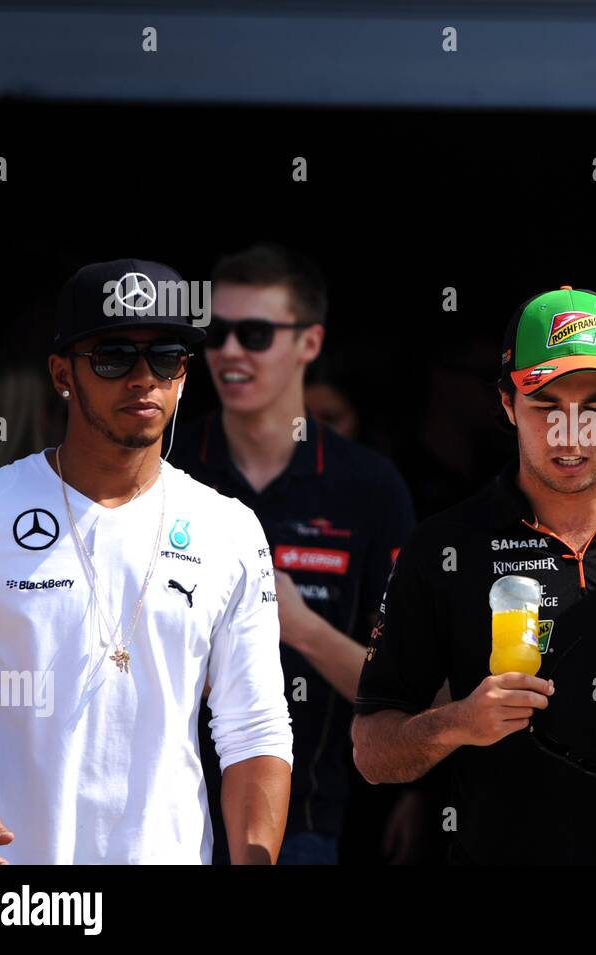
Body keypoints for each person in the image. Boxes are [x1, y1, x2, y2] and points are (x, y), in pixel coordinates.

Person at [351, 286, 596, 864]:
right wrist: (458, 723)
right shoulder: (443, 546)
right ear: (507, 404)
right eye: (545, 406)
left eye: (595, 405)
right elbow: (371, 749)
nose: (572, 432)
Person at [0, 259, 292, 864]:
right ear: (62, 373)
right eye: (113, 357)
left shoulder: (230, 529)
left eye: (166, 356)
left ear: (184, 375)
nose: (143, 378)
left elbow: (254, 729)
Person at [172, 243, 414, 864]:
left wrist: (299, 626)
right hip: (158, 810)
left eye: (254, 334)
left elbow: (408, 692)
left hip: (307, 820)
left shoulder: (367, 486)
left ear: (309, 343)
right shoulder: (165, 467)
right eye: (217, 333)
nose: (229, 351)